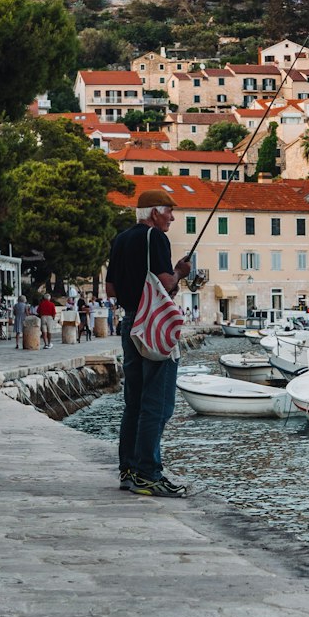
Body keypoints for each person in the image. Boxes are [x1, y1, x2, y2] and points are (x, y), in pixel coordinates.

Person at [106, 188, 191, 498]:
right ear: (155, 213)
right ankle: (148, 474)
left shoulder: (120, 239)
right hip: (153, 323)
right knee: (159, 403)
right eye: (169, 210)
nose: (172, 216)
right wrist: (180, 271)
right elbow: (166, 283)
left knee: (135, 401)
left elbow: (111, 288)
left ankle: (128, 470)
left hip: (130, 323)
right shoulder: (155, 238)